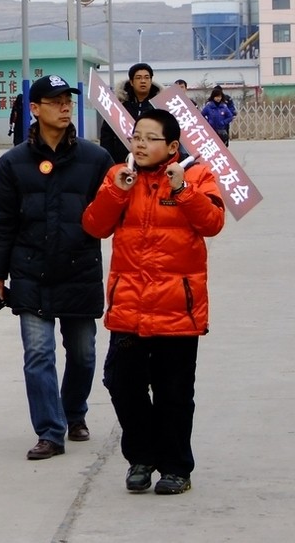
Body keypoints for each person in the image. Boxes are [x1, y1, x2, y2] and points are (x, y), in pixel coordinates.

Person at [82, 108, 225, 495]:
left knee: (174, 392)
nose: (140, 144)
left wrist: (183, 191)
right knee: (121, 383)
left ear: (172, 146)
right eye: (136, 137)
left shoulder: (195, 175)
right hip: (130, 307)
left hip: (178, 308)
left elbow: (213, 223)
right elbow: (94, 225)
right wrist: (118, 191)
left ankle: (176, 467)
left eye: (149, 138)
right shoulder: (118, 176)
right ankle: (142, 458)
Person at [0, 74, 113, 460]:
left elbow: (110, 213)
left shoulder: (96, 159)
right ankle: (50, 431)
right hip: (30, 272)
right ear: (35, 109)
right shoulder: (12, 163)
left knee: (84, 353)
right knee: (38, 355)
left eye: (67, 100)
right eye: (54, 101)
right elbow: (1, 225)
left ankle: (73, 412)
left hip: (80, 270)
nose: (64, 106)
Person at [99, 63, 161, 163]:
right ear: (131, 82)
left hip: (153, 162)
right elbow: (107, 135)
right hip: (121, 162)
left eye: (147, 77)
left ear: (151, 80)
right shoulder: (119, 106)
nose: (143, 81)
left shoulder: (160, 107)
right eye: (138, 78)